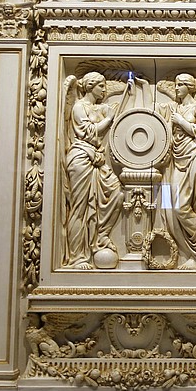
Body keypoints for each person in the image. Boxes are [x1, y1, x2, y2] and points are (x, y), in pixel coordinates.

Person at [62, 72, 123, 269]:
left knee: (116, 192)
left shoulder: (95, 107)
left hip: (95, 159)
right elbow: (89, 132)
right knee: (79, 208)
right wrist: (109, 119)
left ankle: (101, 236)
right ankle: (78, 257)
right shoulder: (79, 107)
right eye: (101, 86)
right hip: (81, 159)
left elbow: (104, 109)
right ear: (90, 86)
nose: (104, 90)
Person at [157, 73, 196, 269]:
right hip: (178, 159)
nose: (177, 88)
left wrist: (181, 122)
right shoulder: (176, 108)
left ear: (190, 87)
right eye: (176, 84)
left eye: (181, 84)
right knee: (174, 206)